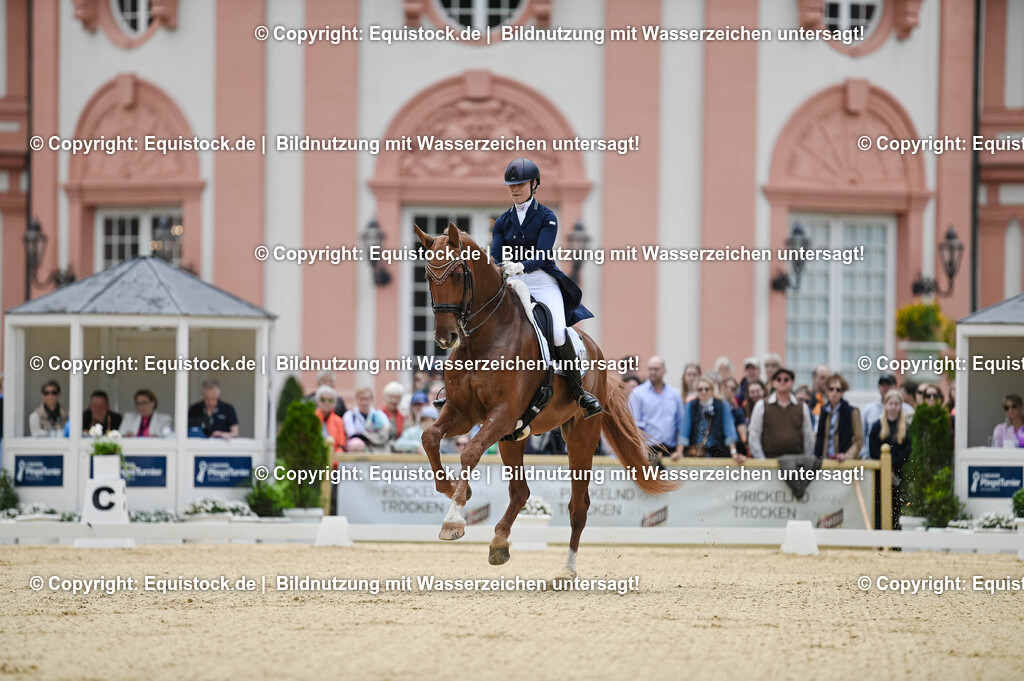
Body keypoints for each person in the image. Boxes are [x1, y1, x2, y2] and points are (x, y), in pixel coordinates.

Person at [490, 157, 601, 418]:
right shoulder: (501, 222)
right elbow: (495, 255)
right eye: (511, 185)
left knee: (559, 334)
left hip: (540, 280)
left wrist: (521, 266)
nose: (515, 189)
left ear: (534, 184)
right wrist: (501, 268)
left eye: (521, 184)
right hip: (512, 283)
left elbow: (542, 255)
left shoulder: (546, 217)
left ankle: (579, 393)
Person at [745, 368, 815, 461]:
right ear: (773, 382)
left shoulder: (802, 407)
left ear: (792, 382)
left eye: (786, 379)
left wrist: (806, 460)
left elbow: (808, 436)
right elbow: (754, 434)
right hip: (769, 461)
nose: (782, 382)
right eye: (778, 379)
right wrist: (762, 460)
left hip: (796, 462)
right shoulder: (761, 405)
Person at [869, 389, 913, 530]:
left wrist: (893, 468)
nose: (893, 407)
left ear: (900, 406)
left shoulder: (905, 428)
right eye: (891, 404)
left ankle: (895, 545)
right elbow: (873, 451)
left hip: (899, 475)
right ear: (885, 405)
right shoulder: (877, 427)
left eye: (896, 404)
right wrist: (886, 469)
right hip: (880, 476)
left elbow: (907, 451)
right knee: (879, 508)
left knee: (896, 509)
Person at [628, 356, 684, 461]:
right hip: (647, 451)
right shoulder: (637, 394)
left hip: (670, 452)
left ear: (664, 371)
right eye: (650, 369)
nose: (653, 372)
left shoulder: (675, 395)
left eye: (656, 369)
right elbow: (635, 426)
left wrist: (679, 451)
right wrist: (642, 450)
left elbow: (681, 426)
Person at [678, 377, 738, 458]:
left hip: (718, 452)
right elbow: (684, 430)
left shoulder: (722, 404)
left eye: (707, 389)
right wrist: (679, 452)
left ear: (712, 390)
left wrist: (734, 453)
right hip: (696, 453)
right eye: (700, 389)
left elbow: (729, 429)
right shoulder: (691, 405)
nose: (703, 392)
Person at [860, 374, 914, 458]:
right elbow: (864, 436)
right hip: (875, 464)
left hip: (900, 467)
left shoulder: (908, 410)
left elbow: (908, 447)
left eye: (889, 384)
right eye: (883, 385)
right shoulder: (870, 411)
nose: (886, 387)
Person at [814, 374, 863, 462]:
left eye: (838, 390)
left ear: (842, 392)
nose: (834, 392)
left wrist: (847, 456)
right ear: (827, 391)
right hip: (825, 463)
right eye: (831, 389)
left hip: (844, 463)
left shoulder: (852, 412)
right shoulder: (823, 411)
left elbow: (858, 441)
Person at [343, 386, 391, 452]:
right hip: (358, 447)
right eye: (361, 399)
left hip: (377, 446)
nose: (364, 402)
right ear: (357, 399)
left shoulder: (380, 415)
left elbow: (385, 434)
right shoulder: (349, 415)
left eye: (366, 399)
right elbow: (352, 434)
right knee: (357, 444)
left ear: (371, 400)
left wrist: (364, 435)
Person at [314, 385, 346, 453]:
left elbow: (341, 444)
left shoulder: (338, 421)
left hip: (334, 455)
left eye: (330, 400)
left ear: (334, 403)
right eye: (323, 400)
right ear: (318, 402)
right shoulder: (311, 418)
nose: (326, 402)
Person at [722, 377, 749, 457]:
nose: (729, 391)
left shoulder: (738, 412)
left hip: (733, 451)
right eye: (726, 387)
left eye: (733, 388)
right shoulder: (715, 408)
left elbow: (743, 436)